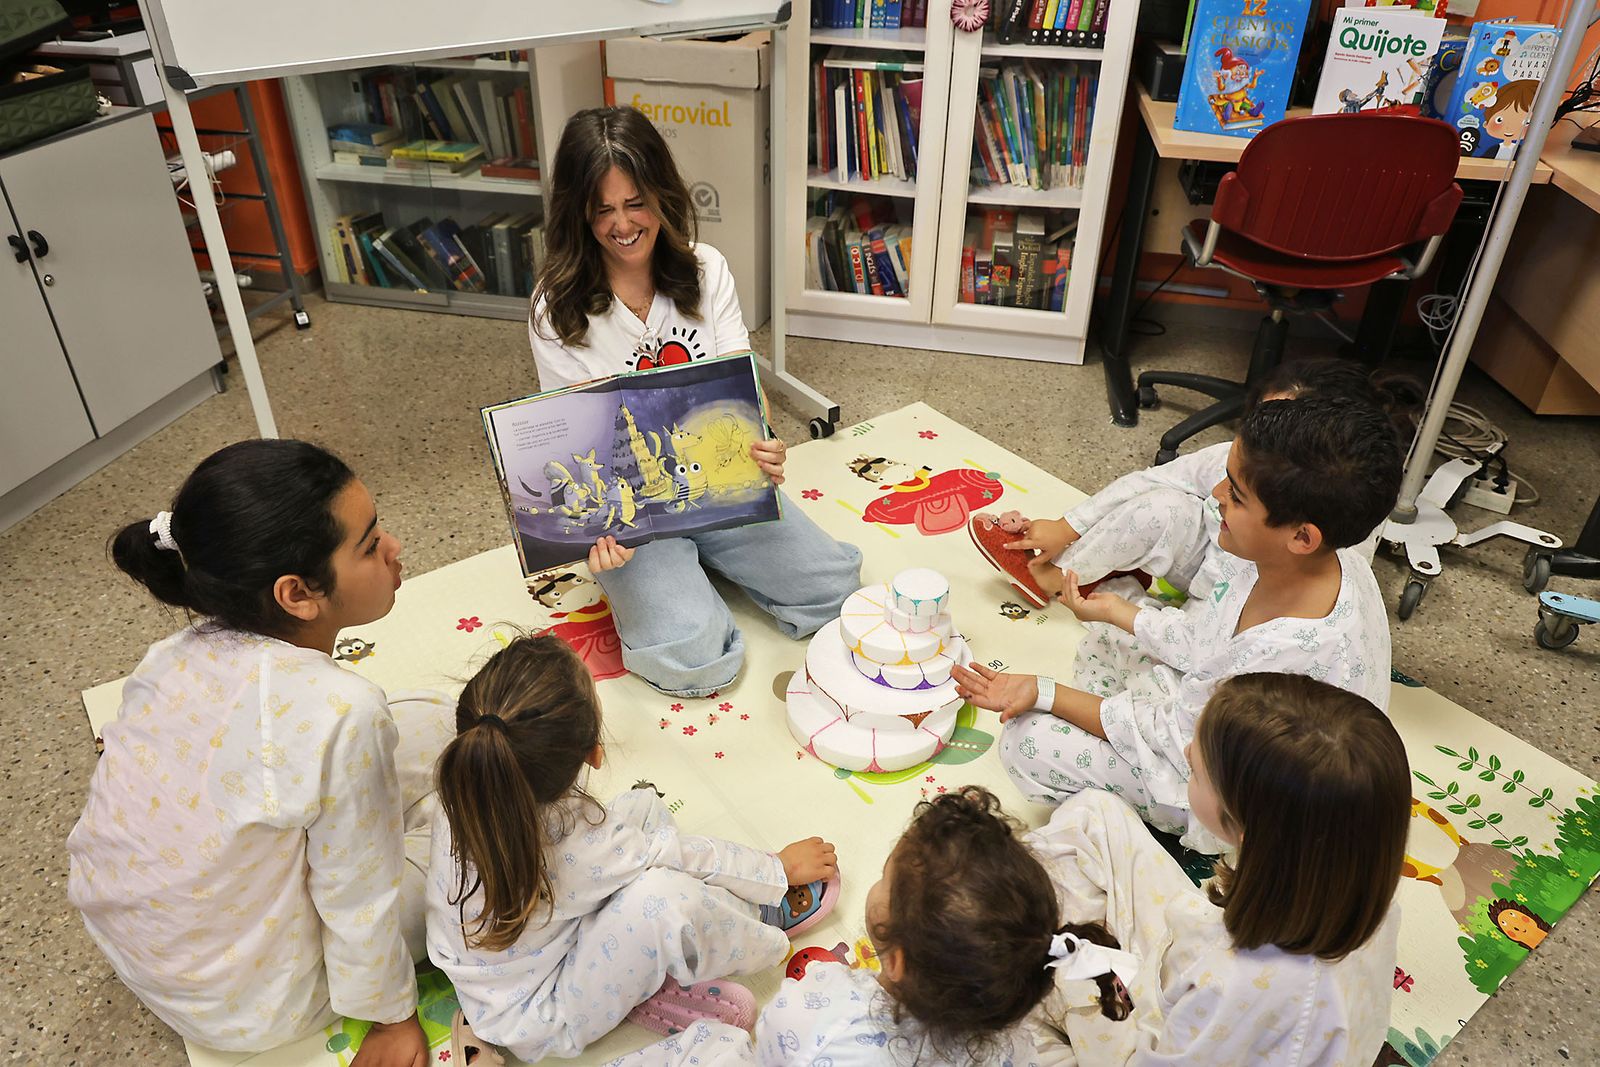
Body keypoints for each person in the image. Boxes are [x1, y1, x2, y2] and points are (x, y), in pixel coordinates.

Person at [66, 440, 453, 1064]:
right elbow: (358, 893)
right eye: (369, 541)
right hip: (250, 1003)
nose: (394, 547)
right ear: (297, 594)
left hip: (141, 951)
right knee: (483, 829)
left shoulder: (172, 653)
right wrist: (389, 1017)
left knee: (431, 720)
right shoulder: (341, 710)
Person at [955, 395, 1401, 851]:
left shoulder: (1287, 655)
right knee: (1111, 635)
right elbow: (1204, 641)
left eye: (1237, 495)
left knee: (1027, 739)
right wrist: (1117, 611)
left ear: (1302, 536)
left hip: (1228, 789)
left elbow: (1182, 743)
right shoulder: (1285, 556)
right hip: (1209, 712)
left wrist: (1044, 692)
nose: (1216, 496)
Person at [528, 105, 861, 697]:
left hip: (720, 489)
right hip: (637, 521)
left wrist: (765, 449)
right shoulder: (555, 309)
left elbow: (741, 393)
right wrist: (595, 541)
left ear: (663, 193)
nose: (622, 224)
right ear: (578, 213)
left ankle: (707, 560)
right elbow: (577, 448)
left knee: (837, 589)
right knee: (692, 655)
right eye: (602, 209)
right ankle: (687, 575)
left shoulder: (707, 270)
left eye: (636, 203)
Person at [425, 634, 841, 1062]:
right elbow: (679, 857)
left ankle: (642, 979)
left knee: (640, 809)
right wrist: (775, 872)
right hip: (545, 1014)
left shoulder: (464, 785)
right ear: (594, 753)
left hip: (497, 972)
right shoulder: (581, 842)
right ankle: (760, 920)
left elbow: (621, 852)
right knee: (663, 900)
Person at [1027, 674, 1408, 1065]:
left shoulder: (1230, 982)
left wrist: (1086, 975)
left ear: (1243, 830)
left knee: (1019, 998)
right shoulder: (1355, 878)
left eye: (1196, 772)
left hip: (1163, 1039)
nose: (1189, 749)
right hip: (1204, 977)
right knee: (1096, 812)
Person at [981, 357, 1417, 606]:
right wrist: (1069, 526)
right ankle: (1068, 575)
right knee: (1162, 503)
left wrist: (1139, 618)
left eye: (1239, 493)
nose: (1218, 493)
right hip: (1213, 566)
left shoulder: (1340, 528)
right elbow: (1151, 483)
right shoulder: (1248, 459)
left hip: (1236, 606)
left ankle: (1122, 589)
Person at [753, 786, 1131, 1066]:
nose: (878, 884)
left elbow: (768, 1038)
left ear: (898, 961)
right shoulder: (1009, 1043)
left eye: (886, 879)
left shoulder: (824, 1016)